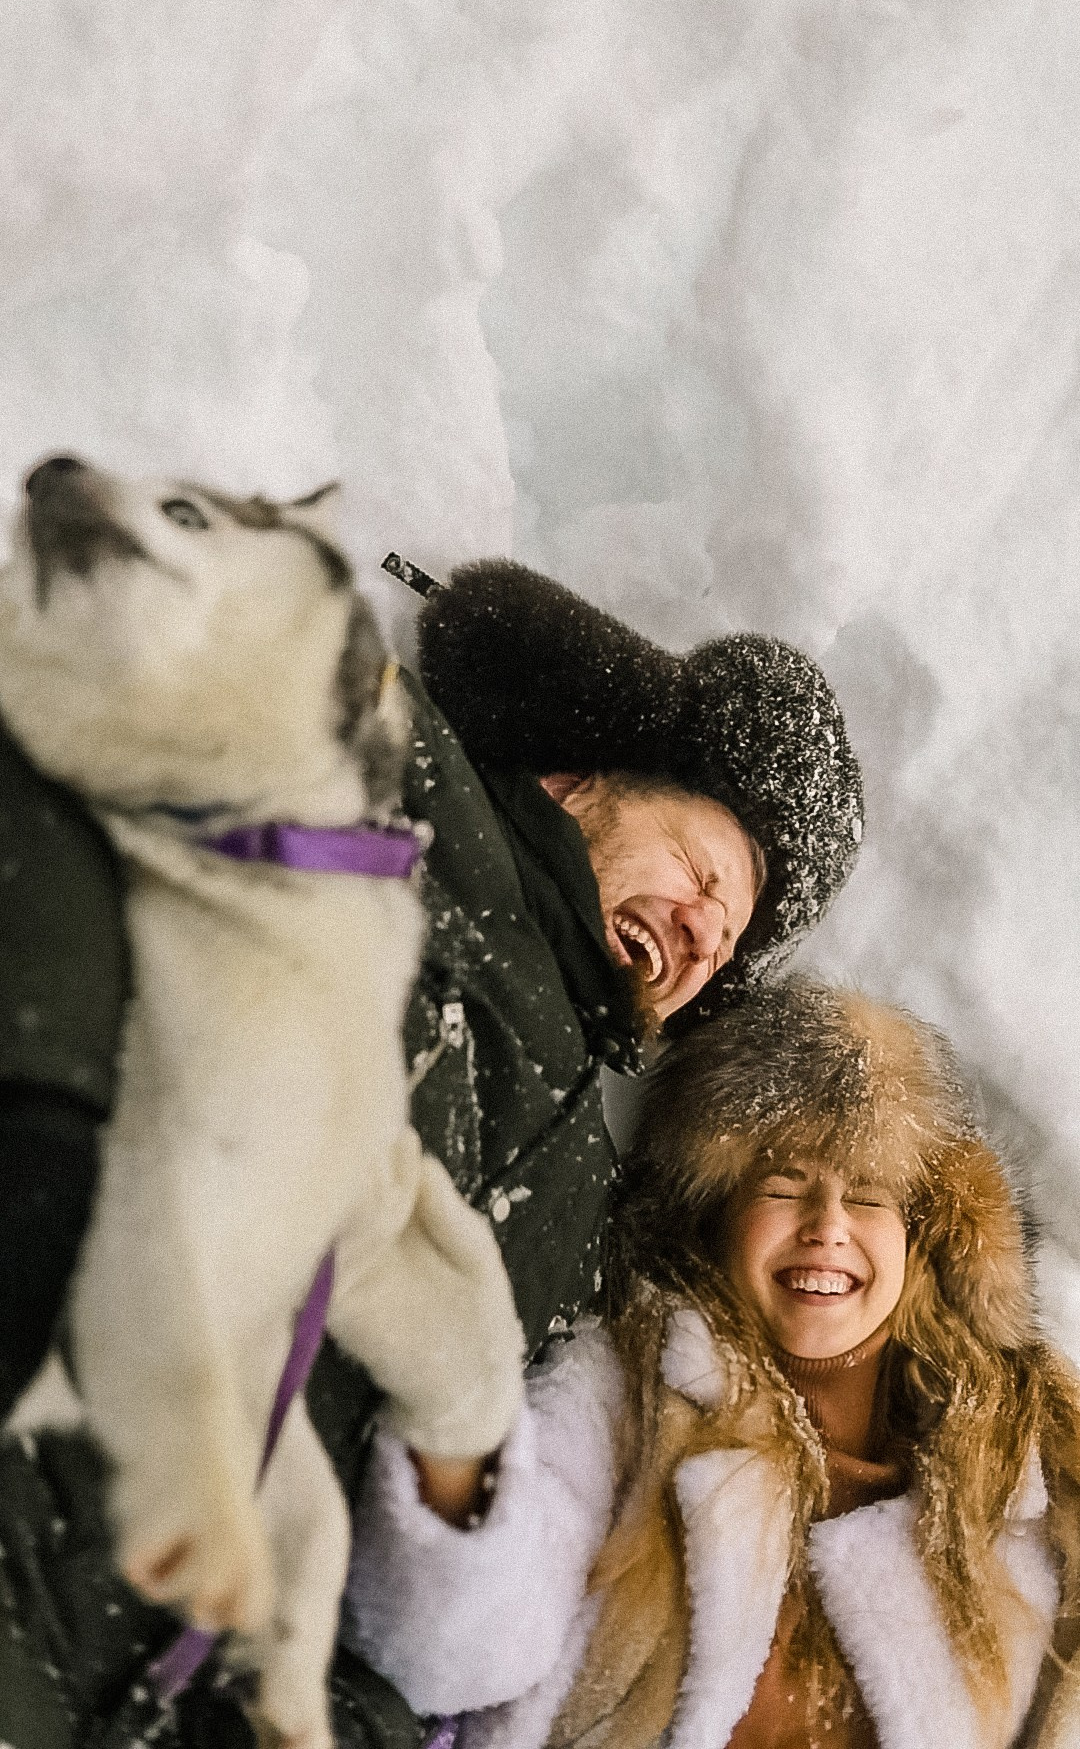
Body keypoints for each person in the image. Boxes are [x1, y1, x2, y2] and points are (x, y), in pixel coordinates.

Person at [0, 551, 863, 1748]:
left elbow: (435, 1579)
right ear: (574, 783)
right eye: (704, 873)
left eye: (725, 941)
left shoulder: (585, 1219)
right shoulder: (387, 787)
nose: (703, 932)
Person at [346, 979, 1080, 1749]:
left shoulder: (1026, 1453)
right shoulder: (633, 1388)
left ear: (920, 1238)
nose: (827, 1227)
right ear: (720, 1216)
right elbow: (452, 1647)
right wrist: (453, 1412)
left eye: (867, 1197)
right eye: (785, 1186)